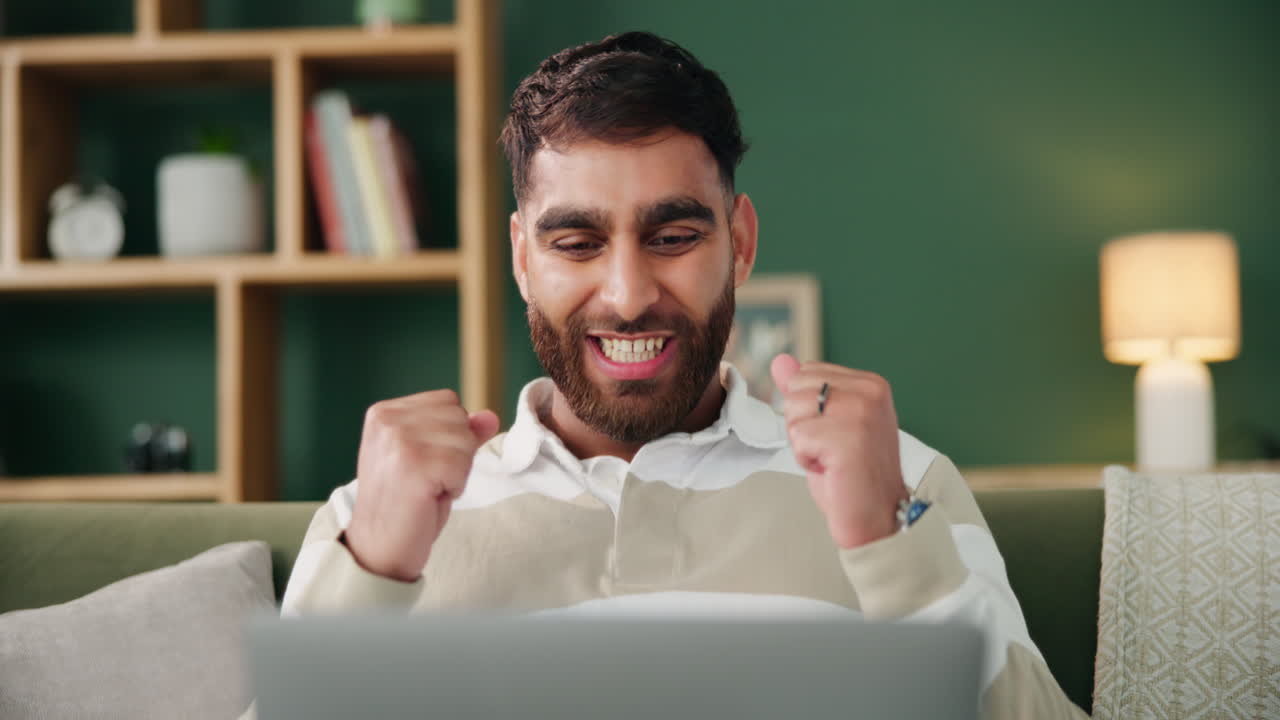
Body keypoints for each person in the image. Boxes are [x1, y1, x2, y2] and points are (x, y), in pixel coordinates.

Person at [282, 31, 1087, 718]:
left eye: (671, 237)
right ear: (522, 257)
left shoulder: (906, 486)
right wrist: (371, 575)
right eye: (576, 244)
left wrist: (895, 547)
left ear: (739, 242)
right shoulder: (373, 519)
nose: (629, 296)